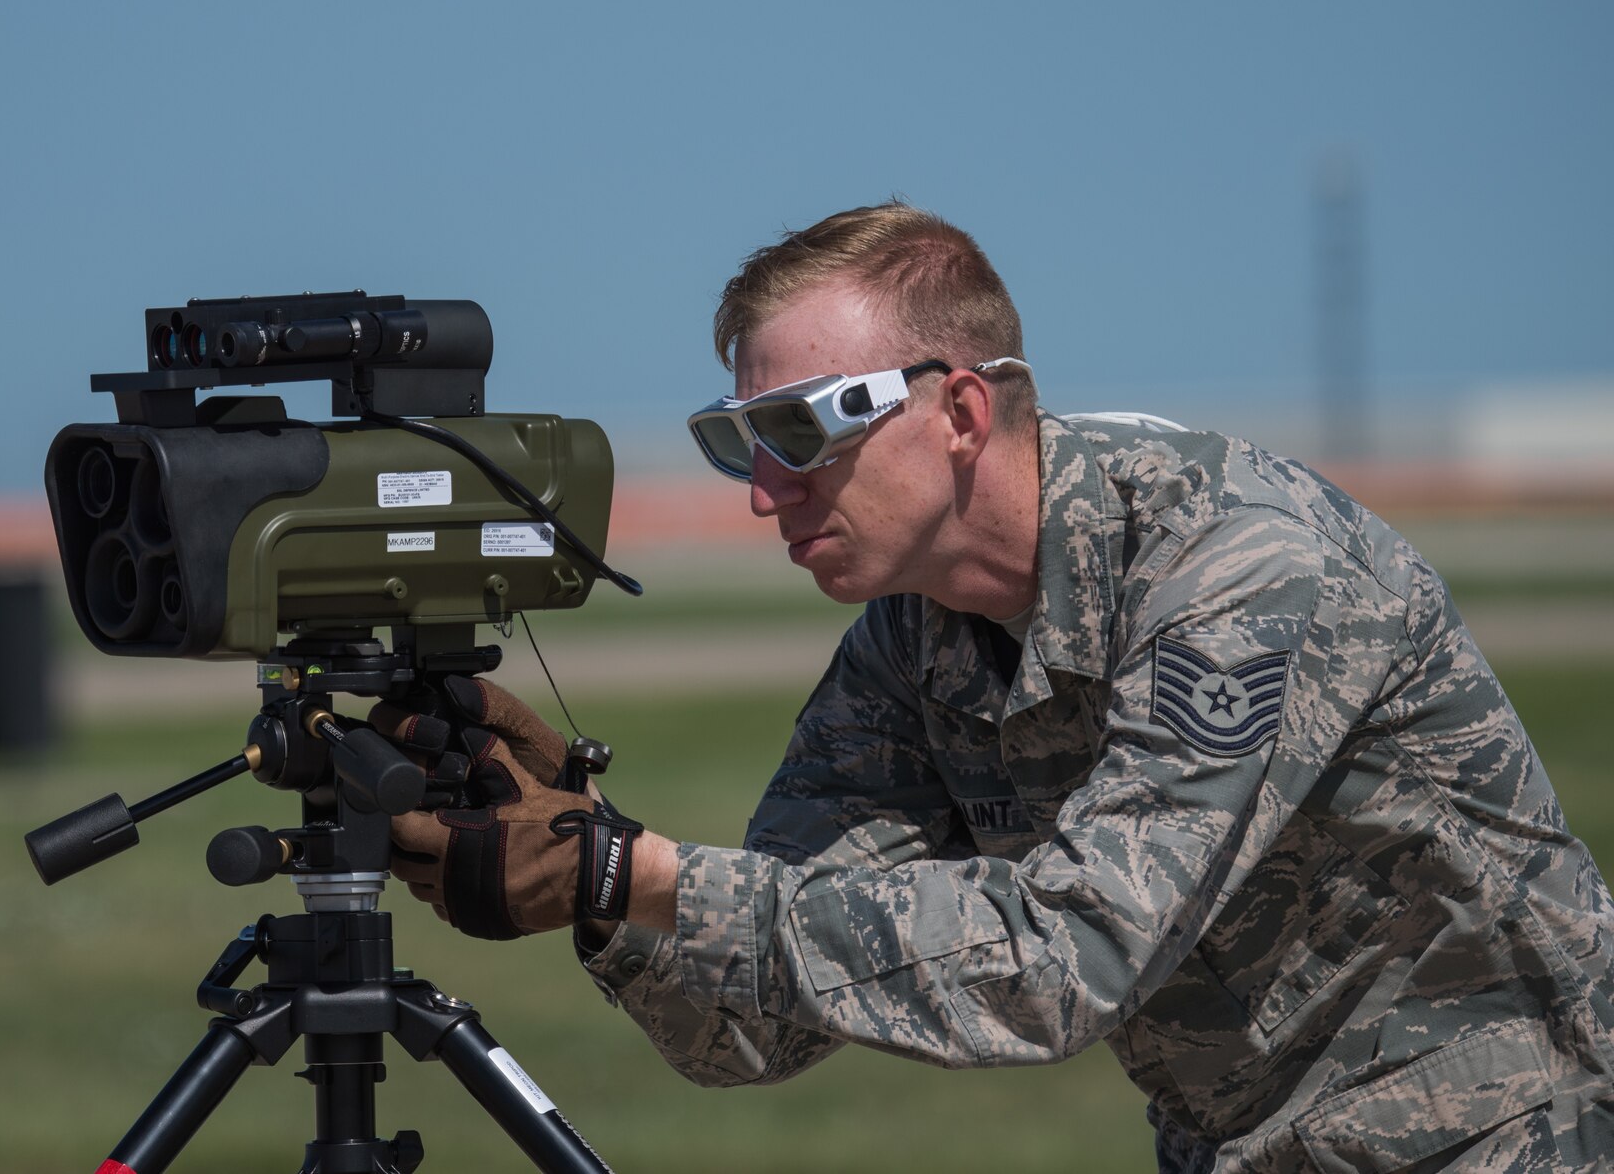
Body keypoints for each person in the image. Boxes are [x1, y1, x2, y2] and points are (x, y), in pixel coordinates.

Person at [374, 203, 1614, 1172]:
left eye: (797, 430)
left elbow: (1066, 958)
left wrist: (637, 874)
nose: (762, 489)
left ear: (959, 408)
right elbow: (747, 1030)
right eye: (733, 441)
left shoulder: (1233, 558)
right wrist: (585, 882)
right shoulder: (912, 638)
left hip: (1507, 1143)